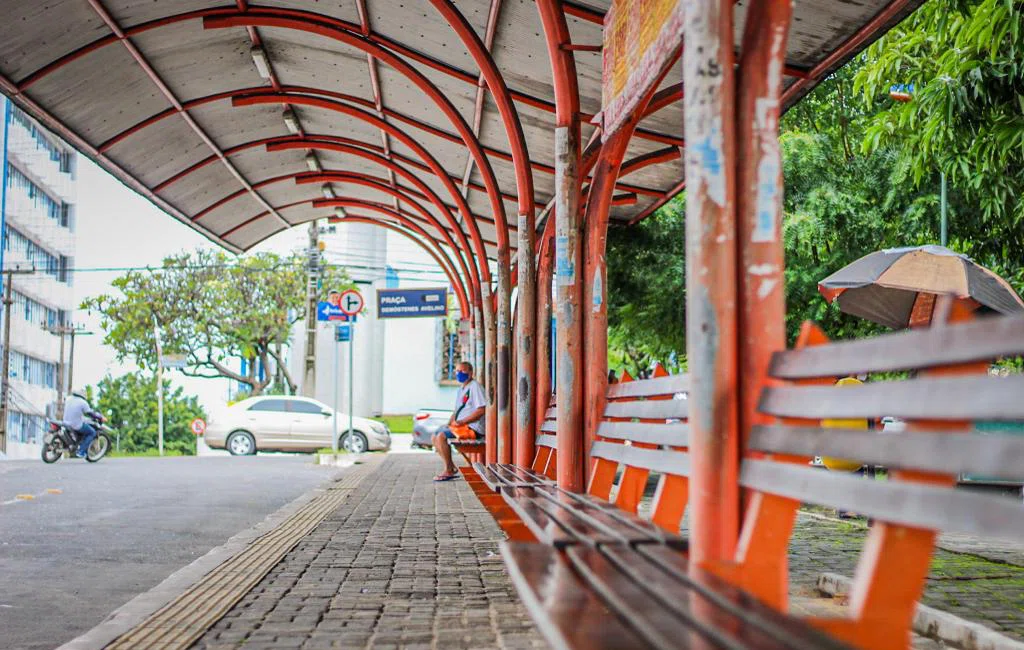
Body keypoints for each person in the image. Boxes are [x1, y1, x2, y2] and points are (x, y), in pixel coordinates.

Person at [433, 361, 486, 482]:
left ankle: (448, 469)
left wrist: (462, 421)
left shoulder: (475, 387)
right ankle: (450, 466)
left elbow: (481, 409)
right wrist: (449, 423)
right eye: (457, 371)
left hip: (473, 428)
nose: (459, 373)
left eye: (462, 371)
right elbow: (456, 410)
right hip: (462, 427)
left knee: (441, 436)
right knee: (434, 436)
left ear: (471, 372)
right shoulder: (461, 389)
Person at [64, 388, 101, 458]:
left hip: (65, 422)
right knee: (92, 432)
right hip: (76, 425)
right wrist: (99, 417)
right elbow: (90, 414)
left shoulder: (68, 398)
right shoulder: (83, 402)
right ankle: (81, 451)